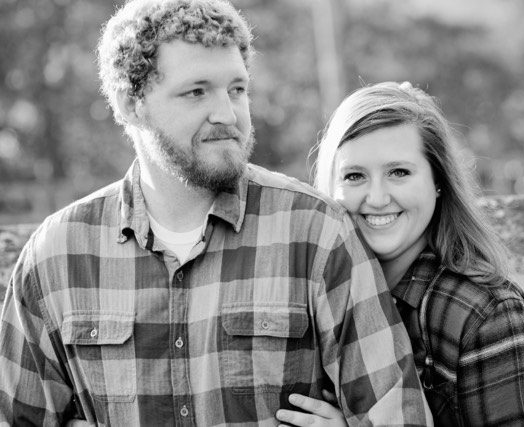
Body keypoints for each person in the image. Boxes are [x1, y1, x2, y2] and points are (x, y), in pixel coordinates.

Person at [0, 2, 433, 424]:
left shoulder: (315, 232)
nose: (228, 114)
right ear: (132, 103)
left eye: (237, 89)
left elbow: (397, 413)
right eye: (197, 91)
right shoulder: (58, 255)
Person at [275, 81, 524, 426]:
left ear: (438, 181)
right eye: (355, 175)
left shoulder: (487, 314)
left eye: (399, 172)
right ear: (329, 188)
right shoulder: (314, 300)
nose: (376, 198)